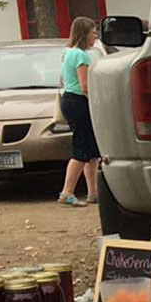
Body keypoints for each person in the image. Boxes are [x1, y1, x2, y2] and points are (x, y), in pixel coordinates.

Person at [58, 18, 102, 207]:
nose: (96, 36)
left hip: (69, 100)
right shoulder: (82, 56)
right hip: (79, 102)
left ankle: (93, 192)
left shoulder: (67, 52)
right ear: (85, 34)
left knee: (91, 151)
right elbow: (85, 86)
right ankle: (67, 192)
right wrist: (99, 101)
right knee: (81, 149)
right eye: (93, 32)